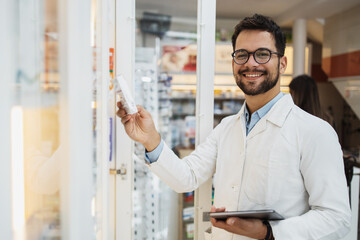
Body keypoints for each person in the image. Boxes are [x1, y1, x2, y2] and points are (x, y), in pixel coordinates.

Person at [117, 14, 351, 240]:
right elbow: (186, 177)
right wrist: (150, 139)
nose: (251, 63)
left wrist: (268, 233)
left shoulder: (314, 132)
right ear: (233, 62)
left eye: (262, 54)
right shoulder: (227, 128)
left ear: (282, 64)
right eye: (242, 54)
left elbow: (336, 218)